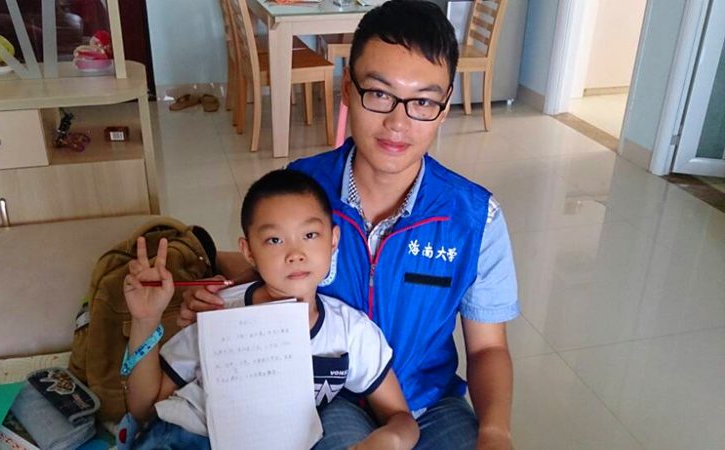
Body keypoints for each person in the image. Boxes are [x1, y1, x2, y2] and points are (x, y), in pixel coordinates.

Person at [181, 1, 520, 449]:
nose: (397, 122)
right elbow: (272, 275)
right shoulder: (304, 189)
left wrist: (494, 431)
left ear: (443, 107)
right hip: (330, 396)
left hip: (430, 400)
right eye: (379, 94)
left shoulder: (476, 218)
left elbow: (488, 348)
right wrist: (215, 301)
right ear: (347, 87)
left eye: (422, 101)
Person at [121, 170, 420, 449]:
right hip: (190, 437)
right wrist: (145, 320)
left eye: (310, 235)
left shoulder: (350, 332)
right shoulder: (219, 312)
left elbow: (401, 417)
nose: (295, 254)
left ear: (333, 240)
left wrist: (391, 439)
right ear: (248, 251)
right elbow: (145, 406)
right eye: (274, 240)